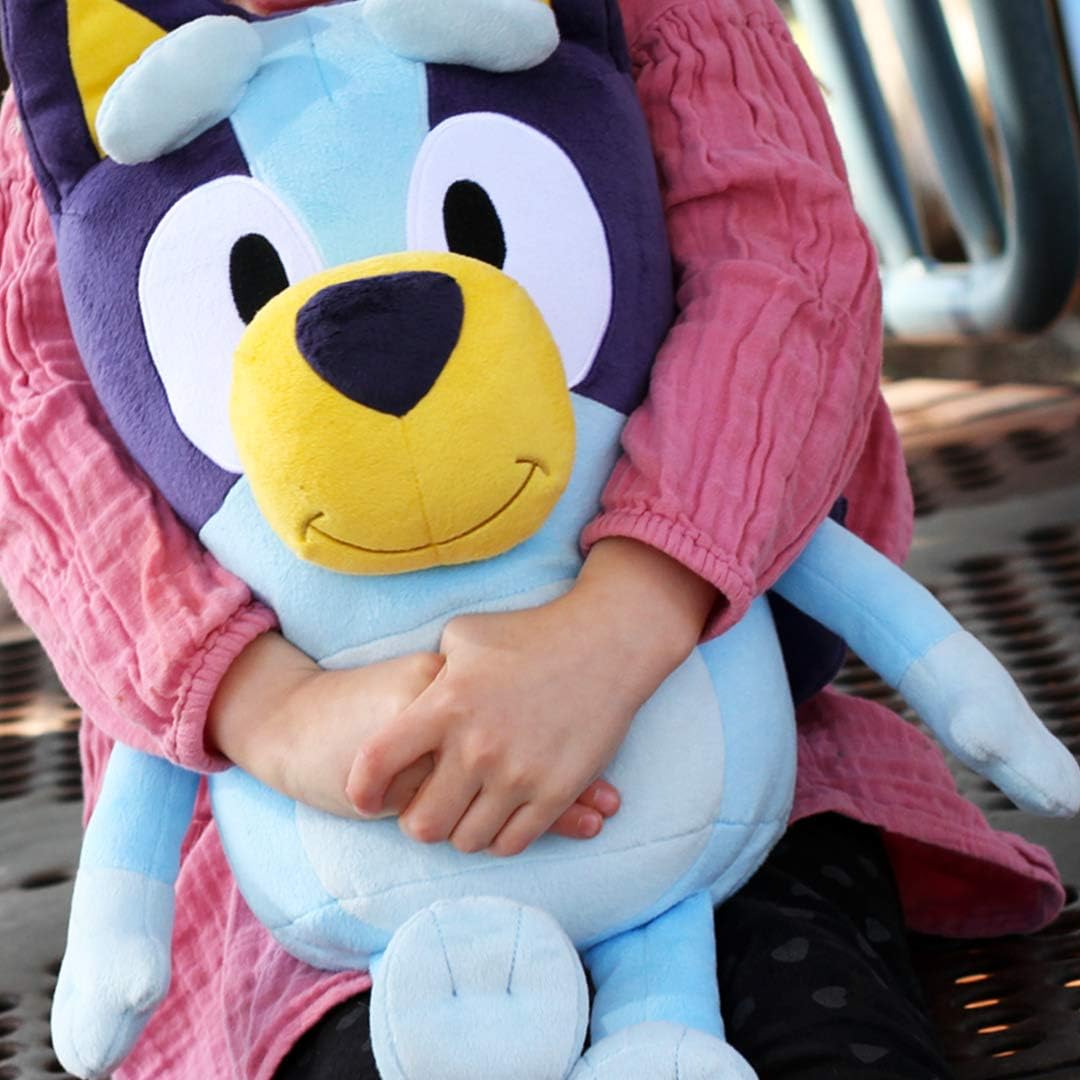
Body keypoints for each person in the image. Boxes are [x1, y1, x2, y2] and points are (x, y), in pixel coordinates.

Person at [0, 0, 1067, 1077]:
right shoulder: (97, 80)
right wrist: (269, 707)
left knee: (819, 1023)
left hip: (707, 712)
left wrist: (625, 616)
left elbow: (782, 266)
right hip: (305, 830)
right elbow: (34, 431)